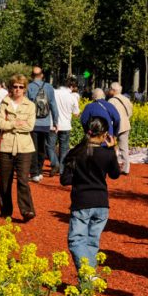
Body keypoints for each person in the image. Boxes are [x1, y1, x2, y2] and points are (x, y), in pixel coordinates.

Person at [60, 116, 120, 278]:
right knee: (92, 242)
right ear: (105, 134)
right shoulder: (107, 154)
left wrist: (80, 176)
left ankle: (88, 276)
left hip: (81, 202)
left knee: (76, 241)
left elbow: (64, 180)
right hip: (101, 203)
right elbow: (115, 175)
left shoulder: (75, 152)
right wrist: (112, 150)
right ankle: (89, 279)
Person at [0, 74, 37, 222]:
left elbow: (29, 126)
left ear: (25, 89)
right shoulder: (4, 103)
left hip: (24, 147)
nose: (18, 89)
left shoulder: (30, 105)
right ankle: (5, 210)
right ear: (10, 88)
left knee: (23, 180)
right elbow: (1, 124)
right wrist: (16, 123)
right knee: (5, 181)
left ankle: (27, 210)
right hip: (6, 146)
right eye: (15, 86)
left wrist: (10, 123)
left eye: (21, 87)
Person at [26, 66, 59, 181]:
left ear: (31, 75)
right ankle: (39, 171)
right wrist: (55, 121)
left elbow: (26, 106)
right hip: (45, 123)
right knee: (42, 148)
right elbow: (53, 105)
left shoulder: (28, 87)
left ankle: (34, 173)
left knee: (33, 148)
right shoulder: (49, 87)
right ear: (42, 75)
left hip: (33, 123)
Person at [54, 78, 81, 174]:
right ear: (72, 86)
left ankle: (55, 163)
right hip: (66, 125)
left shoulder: (54, 92)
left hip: (54, 125)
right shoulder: (72, 97)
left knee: (50, 147)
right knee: (64, 148)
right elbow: (76, 113)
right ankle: (61, 170)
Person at [107, 82, 133, 175]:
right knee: (124, 148)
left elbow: (109, 115)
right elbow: (130, 113)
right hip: (126, 125)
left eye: (110, 89)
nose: (109, 90)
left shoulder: (111, 101)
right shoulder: (126, 99)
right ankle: (126, 169)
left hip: (115, 127)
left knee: (109, 146)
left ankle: (111, 166)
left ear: (113, 90)